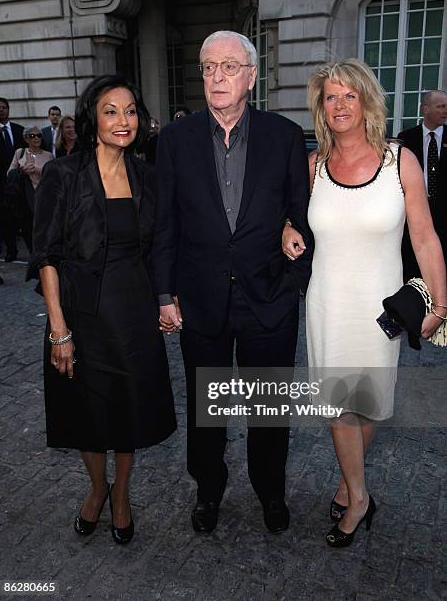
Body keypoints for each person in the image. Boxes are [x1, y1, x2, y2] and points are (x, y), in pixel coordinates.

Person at [152, 30, 312, 534]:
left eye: (228, 66)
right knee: (207, 409)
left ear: (251, 76)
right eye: (207, 67)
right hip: (201, 301)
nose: (216, 76)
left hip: (269, 298)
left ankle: (271, 492)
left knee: (268, 408)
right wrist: (163, 293)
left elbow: (302, 215)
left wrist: (293, 272)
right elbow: (166, 223)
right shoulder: (175, 140)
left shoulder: (284, 136)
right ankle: (208, 491)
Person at [283, 59, 446, 548]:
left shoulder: (401, 162)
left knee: (370, 404)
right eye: (330, 97)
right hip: (328, 303)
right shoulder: (312, 168)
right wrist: (286, 229)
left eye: (349, 95)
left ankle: (346, 483)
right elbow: (285, 218)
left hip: (383, 311)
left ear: (366, 101)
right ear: (321, 107)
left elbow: (425, 236)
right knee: (341, 406)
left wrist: (439, 305)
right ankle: (358, 497)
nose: (339, 105)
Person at [27, 74, 176, 545]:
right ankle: (97, 488)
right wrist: (58, 330)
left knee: (129, 413)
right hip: (80, 316)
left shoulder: (147, 177)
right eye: (111, 110)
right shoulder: (63, 174)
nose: (123, 120)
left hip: (133, 317)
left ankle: (123, 495)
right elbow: (46, 254)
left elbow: (160, 249)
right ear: (93, 116)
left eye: (130, 110)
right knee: (86, 415)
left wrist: (166, 300)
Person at [398, 91, 447, 281]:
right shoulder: (406, 138)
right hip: (413, 216)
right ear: (425, 109)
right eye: (440, 106)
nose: (445, 111)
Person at [8, 126, 53, 253]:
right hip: (25, 198)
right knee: (28, 229)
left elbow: (54, 175)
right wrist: (22, 170)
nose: (36, 138)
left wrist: (37, 169)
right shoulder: (19, 152)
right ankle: (33, 254)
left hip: (44, 198)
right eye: (32, 136)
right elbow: (10, 172)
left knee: (44, 228)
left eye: (39, 135)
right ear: (26, 138)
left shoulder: (48, 155)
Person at [0, 96, 25, 268]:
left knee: (23, 216)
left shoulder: (18, 129)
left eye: (3, 107)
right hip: (0, 184)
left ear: (8, 109)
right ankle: (11, 250)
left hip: (19, 182)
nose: (1, 110)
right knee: (6, 219)